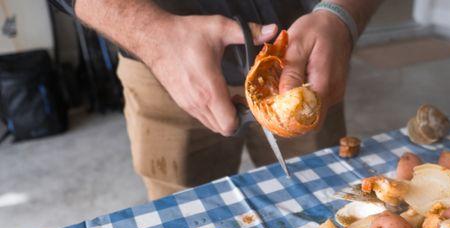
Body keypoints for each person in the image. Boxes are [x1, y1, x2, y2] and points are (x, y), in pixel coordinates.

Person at [51, 0, 382, 199]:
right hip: (164, 64)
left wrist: (342, 15)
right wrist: (151, 35)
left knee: (322, 197)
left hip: (305, 56)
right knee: (184, 219)